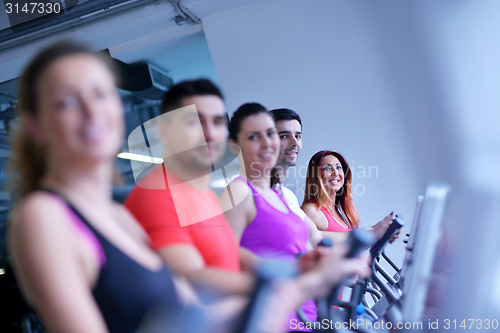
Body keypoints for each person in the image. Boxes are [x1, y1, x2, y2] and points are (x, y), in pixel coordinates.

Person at [8, 41, 184, 333]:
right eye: (67, 101)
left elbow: (189, 310)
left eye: (101, 94)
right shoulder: (42, 217)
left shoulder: (119, 216)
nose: (92, 112)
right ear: (36, 126)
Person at [124, 79, 257, 297]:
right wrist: (280, 286)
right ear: (165, 132)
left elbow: (222, 254)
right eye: (194, 122)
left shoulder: (206, 195)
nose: (210, 135)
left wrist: (279, 268)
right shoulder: (155, 195)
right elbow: (191, 278)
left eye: (217, 122)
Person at [222, 103, 318, 332]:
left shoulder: (279, 195)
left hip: (307, 313)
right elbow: (225, 255)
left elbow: (302, 252)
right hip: (278, 319)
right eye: (254, 137)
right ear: (235, 147)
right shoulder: (239, 191)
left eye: (271, 134)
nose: (267, 143)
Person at [301, 150, 397, 242]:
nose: (335, 173)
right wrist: (375, 230)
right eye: (327, 168)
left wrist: (383, 232)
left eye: (338, 167)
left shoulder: (338, 212)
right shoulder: (310, 211)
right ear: (315, 175)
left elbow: (348, 247)